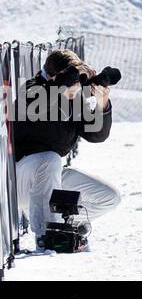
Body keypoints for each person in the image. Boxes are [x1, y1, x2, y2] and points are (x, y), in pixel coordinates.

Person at [13, 49, 120, 249]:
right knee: (51, 159)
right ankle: (47, 236)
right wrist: (60, 89)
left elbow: (97, 135)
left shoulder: (74, 100)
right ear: (55, 77)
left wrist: (101, 103)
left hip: (49, 179)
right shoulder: (31, 89)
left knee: (109, 197)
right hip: (17, 180)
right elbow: (36, 108)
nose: (78, 87)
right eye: (74, 81)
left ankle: (63, 226)